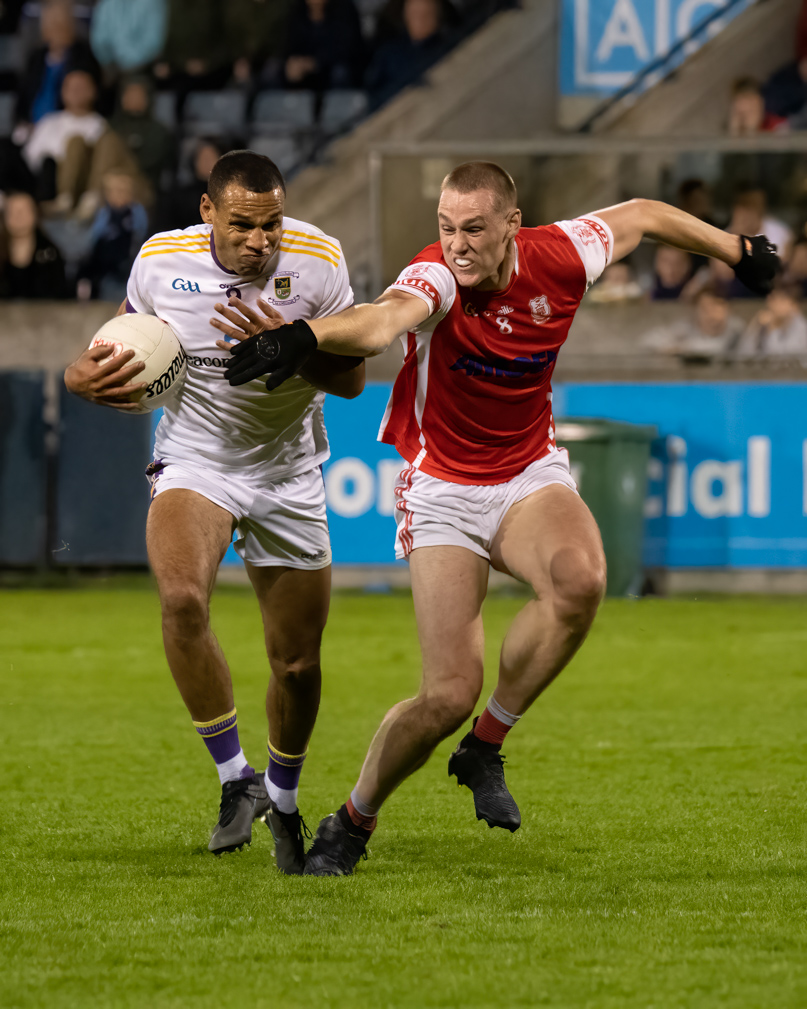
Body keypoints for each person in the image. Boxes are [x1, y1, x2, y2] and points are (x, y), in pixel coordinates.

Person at [213, 161, 781, 876]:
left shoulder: (562, 253)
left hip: (525, 473)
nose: (457, 245)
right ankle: (354, 816)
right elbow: (384, 320)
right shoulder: (438, 277)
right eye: (446, 228)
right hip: (442, 488)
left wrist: (735, 249)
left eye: (474, 229)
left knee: (580, 581)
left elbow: (639, 214)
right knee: (446, 691)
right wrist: (306, 337)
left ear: (512, 225)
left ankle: (485, 743)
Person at [63, 150, 365, 873]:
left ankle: (285, 800)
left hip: (289, 469)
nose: (261, 241)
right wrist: (80, 373)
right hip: (196, 460)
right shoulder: (160, 261)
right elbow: (124, 337)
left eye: (271, 224)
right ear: (207, 214)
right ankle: (237, 780)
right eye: (242, 225)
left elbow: (352, 378)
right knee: (181, 599)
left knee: (295, 664)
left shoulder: (319, 262)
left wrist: (290, 353)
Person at [23, 68, 140, 216]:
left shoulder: (101, 125)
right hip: (49, 184)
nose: (75, 92)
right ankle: (64, 199)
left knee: (79, 143)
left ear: (93, 92)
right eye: (70, 87)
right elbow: (30, 159)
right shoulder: (48, 122)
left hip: (87, 183)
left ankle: (90, 199)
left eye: (81, 88)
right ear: (62, 91)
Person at [77, 170, 149, 301]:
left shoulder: (137, 213)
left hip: (130, 267)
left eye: (123, 191)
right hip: (107, 270)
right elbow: (92, 241)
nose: (119, 195)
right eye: (114, 191)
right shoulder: (104, 214)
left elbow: (141, 237)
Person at [0, 190, 66, 298]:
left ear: (35, 213)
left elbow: (59, 297)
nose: (18, 216)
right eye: (12, 211)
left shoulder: (50, 253)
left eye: (23, 211)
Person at [731, 284, 807, 361]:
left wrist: (772, 328)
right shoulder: (765, 322)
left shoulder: (801, 327)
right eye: (771, 299)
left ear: (794, 305)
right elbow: (743, 353)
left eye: (778, 300)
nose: (771, 304)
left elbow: (782, 360)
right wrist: (756, 326)